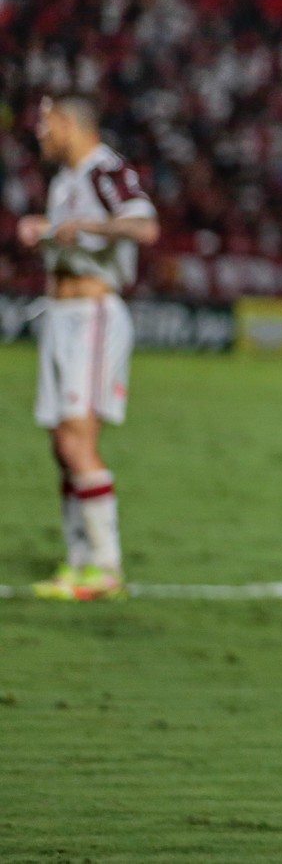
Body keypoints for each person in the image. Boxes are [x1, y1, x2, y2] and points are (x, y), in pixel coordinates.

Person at [16, 95, 159, 602]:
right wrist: (47, 230)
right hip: (59, 315)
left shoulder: (106, 170)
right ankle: (78, 561)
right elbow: (72, 236)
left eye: (47, 125)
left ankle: (106, 567)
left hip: (93, 317)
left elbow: (145, 225)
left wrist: (89, 226)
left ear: (71, 125)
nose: (41, 135)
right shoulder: (65, 181)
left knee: (78, 441)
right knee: (62, 445)